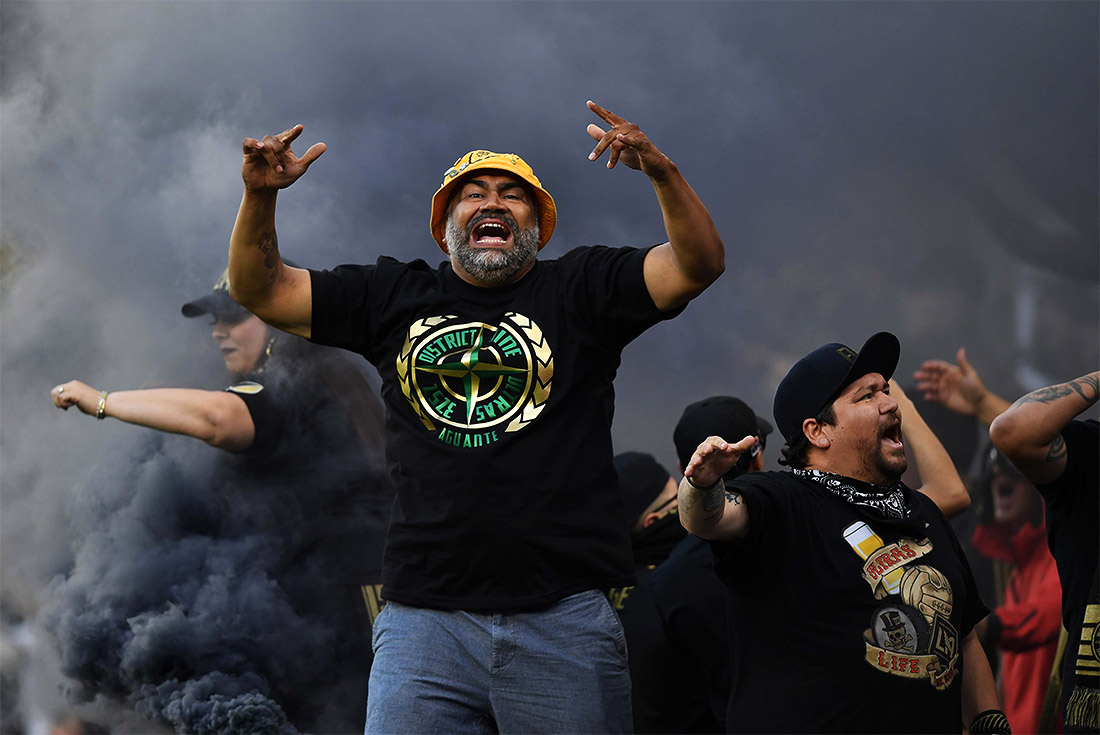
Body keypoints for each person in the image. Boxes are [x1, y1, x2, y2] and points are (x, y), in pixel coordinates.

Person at [226, 100, 726, 733]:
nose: (493, 203)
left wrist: (662, 173)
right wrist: (258, 197)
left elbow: (698, 264)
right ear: (446, 226)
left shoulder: (582, 289)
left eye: (513, 195)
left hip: (563, 620)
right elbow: (260, 289)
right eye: (473, 194)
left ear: (537, 226)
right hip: (422, 625)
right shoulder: (392, 295)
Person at [50, 270, 390, 734]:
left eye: (235, 317)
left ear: (278, 315)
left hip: (353, 594)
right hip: (338, 586)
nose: (219, 331)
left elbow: (219, 417)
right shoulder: (328, 367)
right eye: (215, 320)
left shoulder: (297, 375)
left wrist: (103, 400)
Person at [678, 332, 1006, 734]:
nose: (890, 402)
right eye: (867, 396)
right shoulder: (787, 501)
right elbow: (707, 519)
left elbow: (966, 636)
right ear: (818, 431)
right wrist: (702, 484)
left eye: (887, 390)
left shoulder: (921, 513)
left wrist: (991, 724)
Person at [916, 350, 1063, 734]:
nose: (1001, 478)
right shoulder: (1011, 565)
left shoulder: (1062, 551)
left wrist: (981, 628)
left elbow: (1049, 616)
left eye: (1015, 471)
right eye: (995, 469)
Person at [990, 371, 1099, 734]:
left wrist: (989, 625)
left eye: (1007, 479)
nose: (998, 483)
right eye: (992, 478)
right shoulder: (1092, 461)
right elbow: (1013, 431)